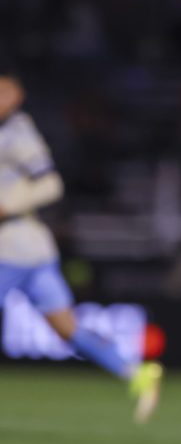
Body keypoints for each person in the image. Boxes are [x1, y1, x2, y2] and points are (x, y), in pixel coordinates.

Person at [0, 74, 163, 423]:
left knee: (67, 327)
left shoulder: (17, 133)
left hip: (11, 247)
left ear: (16, 98)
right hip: (34, 251)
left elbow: (50, 184)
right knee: (67, 328)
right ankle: (135, 372)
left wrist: (7, 206)